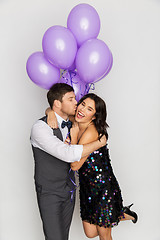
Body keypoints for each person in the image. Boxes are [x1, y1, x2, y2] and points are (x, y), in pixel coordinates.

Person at [47, 93, 138, 240]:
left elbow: (75, 165)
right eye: (82, 104)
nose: (82, 110)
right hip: (86, 186)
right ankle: (122, 213)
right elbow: (57, 110)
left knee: (104, 235)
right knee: (90, 233)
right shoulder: (76, 119)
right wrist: (50, 113)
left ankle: (116, 213)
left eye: (89, 109)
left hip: (102, 188)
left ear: (94, 116)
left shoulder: (92, 131)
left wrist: (74, 136)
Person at [30, 84, 107, 240]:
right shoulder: (40, 128)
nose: (76, 103)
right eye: (71, 99)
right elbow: (67, 154)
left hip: (69, 190)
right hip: (49, 193)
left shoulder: (74, 121)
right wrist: (98, 143)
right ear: (58, 103)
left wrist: (51, 111)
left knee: (63, 236)